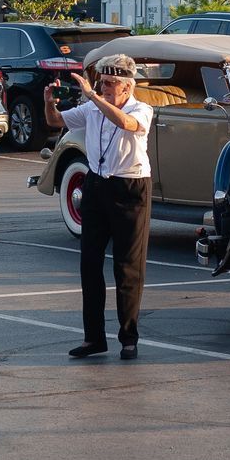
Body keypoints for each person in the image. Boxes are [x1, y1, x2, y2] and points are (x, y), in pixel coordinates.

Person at [44, 53, 153, 361]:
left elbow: (127, 123)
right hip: (96, 185)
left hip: (130, 187)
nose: (104, 87)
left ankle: (128, 338)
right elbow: (54, 121)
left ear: (127, 87)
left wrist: (92, 96)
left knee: (127, 267)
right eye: (101, 82)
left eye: (110, 83)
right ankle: (93, 338)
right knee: (89, 265)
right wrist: (49, 101)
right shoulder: (92, 108)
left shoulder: (141, 108)